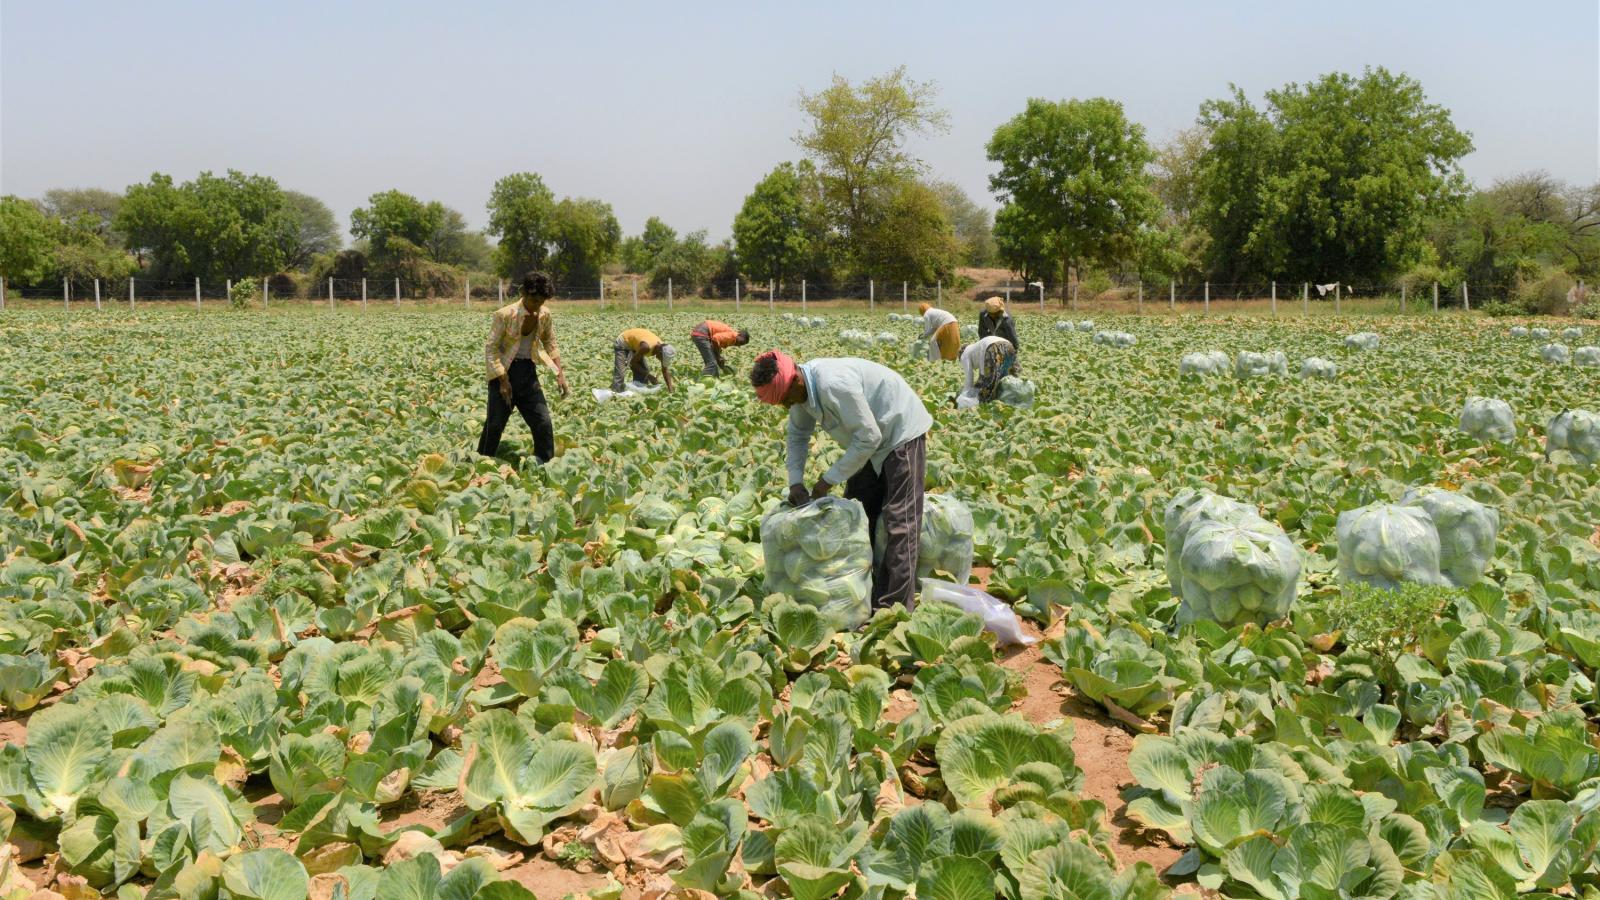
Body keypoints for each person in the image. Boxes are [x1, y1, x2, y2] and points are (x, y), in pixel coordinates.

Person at [750, 350, 932, 611]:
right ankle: (860, 590)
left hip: (899, 432)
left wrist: (827, 480)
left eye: (785, 400)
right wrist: (795, 482)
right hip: (866, 441)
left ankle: (893, 608)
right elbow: (798, 436)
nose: (786, 406)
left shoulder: (833, 384)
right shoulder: (802, 392)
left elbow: (870, 437)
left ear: (795, 382)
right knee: (857, 511)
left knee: (899, 521)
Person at [478, 271, 569, 462]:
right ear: (523, 294)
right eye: (534, 300)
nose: (537, 306)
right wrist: (503, 380)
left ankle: (545, 463)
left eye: (541, 302)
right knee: (495, 424)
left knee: (542, 421)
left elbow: (550, 342)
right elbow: (491, 348)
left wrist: (560, 373)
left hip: (528, 372)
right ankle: (481, 462)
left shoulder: (545, 314)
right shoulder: (504, 315)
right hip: (503, 372)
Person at [956, 336, 1018, 406]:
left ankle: (985, 404)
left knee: (988, 384)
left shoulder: (964, 355)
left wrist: (964, 396)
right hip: (1008, 345)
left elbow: (969, 379)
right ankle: (1015, 399)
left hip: (993, 347)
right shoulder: (975, 348)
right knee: (1008, 377)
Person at [612, 327, 676, 392]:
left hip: (636, 344)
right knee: (620, 373)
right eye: (661, 358)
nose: (660, 360)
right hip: (623, 342)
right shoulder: (646, 347)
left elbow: (665, 370)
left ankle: (637, 390)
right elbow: (632, 363)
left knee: (644, 370)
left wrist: (670, 390)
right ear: (659, 352)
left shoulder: (663, 348)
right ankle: (615, 392)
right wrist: (649, 376)